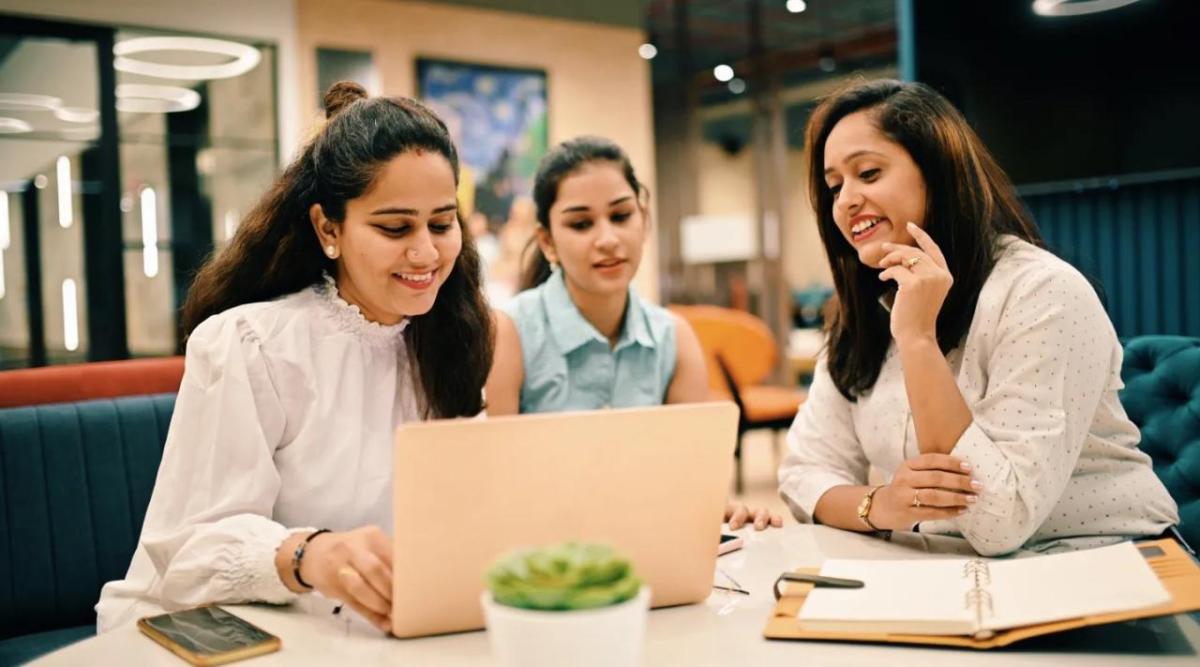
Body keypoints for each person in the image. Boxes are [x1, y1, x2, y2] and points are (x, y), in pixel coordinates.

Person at [96, 82, 493, 632]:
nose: (426, 252)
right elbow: (189, 555)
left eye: (442, 224)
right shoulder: (250, 343)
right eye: (395, 227)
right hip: (207, 628)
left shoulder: (452, 338)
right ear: (328, 228)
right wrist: (308, 555)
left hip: (368, 628)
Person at [777, 79, 1178, 556]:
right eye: (834, 185)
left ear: (938, 172)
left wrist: (918, 340)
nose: (844, 201)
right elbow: (803, 472)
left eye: (867, 173)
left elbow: (997, 521)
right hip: (953, 571)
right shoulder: (858, 314)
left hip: (1108, 561)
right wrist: (879, 505)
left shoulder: (1043, 291)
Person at [485, 136, 782, 531]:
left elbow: (690, 484)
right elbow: (494, 486)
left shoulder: (673, 337)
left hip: (651, 552)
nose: (608, 239)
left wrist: (724, 511)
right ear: (547, 242)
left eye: (621, 216)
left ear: (644, 221)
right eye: (581, 224)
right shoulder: (509, 332)